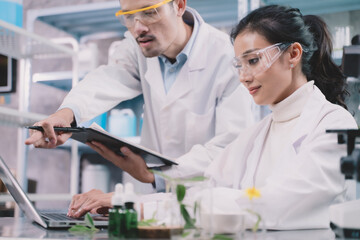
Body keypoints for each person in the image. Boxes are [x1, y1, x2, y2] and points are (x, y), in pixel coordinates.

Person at [25, 0, 254, 217]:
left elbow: (229, 147)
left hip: (209, 205)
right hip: (151, 201)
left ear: (179, 5)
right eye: (129, 16)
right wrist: (66, 114)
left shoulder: (226, 55)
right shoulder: (138, 47)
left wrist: (157, 175)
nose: (138, 28)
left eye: (149, 12)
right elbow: (109, 78)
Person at [202, 5, 358, 230]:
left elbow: (282, 204)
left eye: (253, 60)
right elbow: (205, 190)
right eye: (239, 65)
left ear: (293, 54)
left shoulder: (334, 124)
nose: (243, 78)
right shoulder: (256, 134)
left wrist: (223, 200)